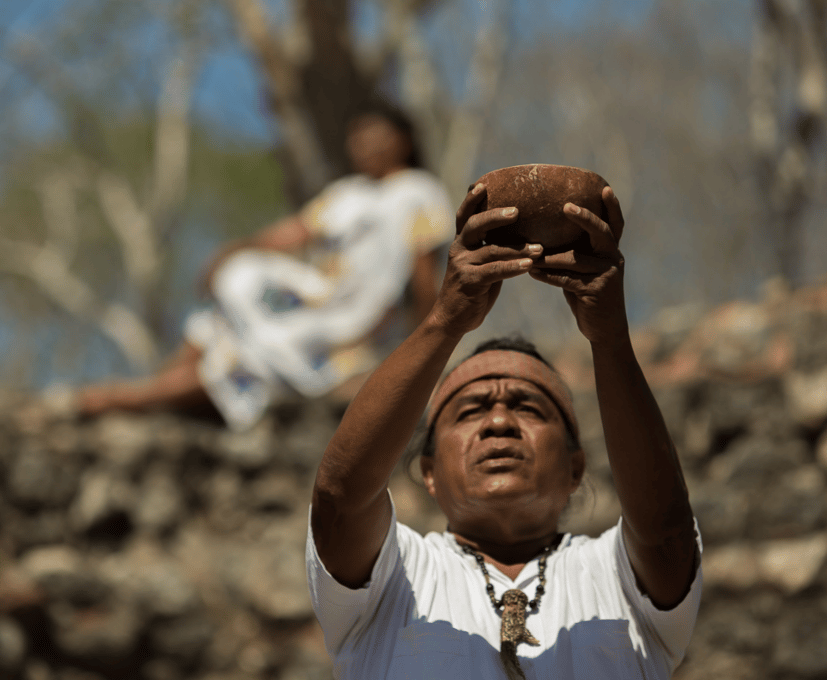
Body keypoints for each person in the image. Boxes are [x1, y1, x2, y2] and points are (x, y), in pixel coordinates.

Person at [307, 183, 702, 679]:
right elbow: (339, 499)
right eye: (470, 410)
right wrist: (445, 320)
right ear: (428, 471)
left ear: (576, 466)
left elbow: (666, 528)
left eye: (527, 407)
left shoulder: (616, 576)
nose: (498, 422)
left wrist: (609, 337)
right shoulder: (392, 577)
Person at [77, 105, 455, 430]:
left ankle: (127, 399)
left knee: (258, 348)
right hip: (315, 294)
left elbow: (423, 272)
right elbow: (294, 233)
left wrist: (423, 346)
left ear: (403, 140)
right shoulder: (347, 193)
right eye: (358, 136)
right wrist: (234, 249)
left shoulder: (419, 192)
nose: (365, 144)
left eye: (376, 134)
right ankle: (152, 390)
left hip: (355, 318)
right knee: (236, 285)